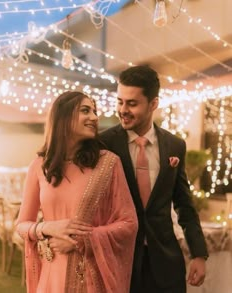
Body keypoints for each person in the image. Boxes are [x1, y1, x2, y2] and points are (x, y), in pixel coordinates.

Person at [100, 65, 208, 293]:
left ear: (153, 104)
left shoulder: (175, 146)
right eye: (120, 102)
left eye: (132, 103)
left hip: (166, 263)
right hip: (120, 260)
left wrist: (198, 254)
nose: (123, 110)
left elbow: (184, 204)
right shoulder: (103, 144)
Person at [16, 91, 138, 293]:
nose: (94, 117)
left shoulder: (108, 163)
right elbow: (22, 225)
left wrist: (82, 239)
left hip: (90, 276)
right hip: (52, 275)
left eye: (94, 111)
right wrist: (48, 228)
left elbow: (129, 223)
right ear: (63, 116)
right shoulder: (39, 166)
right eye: (85, 110)